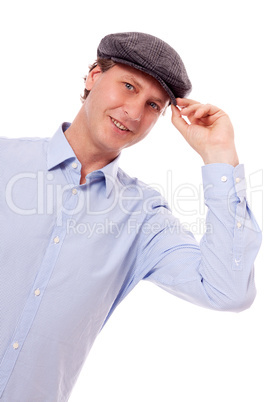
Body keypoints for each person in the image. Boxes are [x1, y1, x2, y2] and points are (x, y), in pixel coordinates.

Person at [0, 32, 262, 401]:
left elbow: (228, 290)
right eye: (127, 86)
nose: (135, 113)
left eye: (154, 105)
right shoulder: (5, 163)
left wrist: (219, 157)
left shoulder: (143, 218)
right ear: (93, 77)